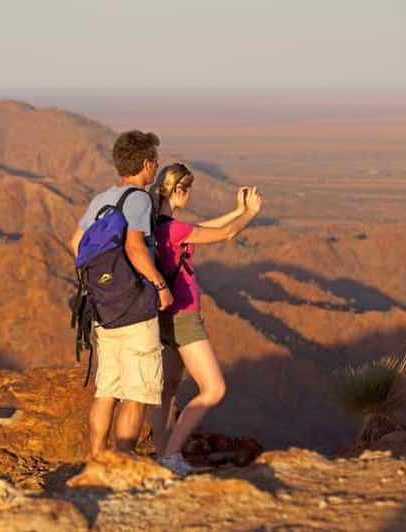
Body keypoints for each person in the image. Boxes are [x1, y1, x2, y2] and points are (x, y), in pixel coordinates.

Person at [149, 163, 262, 475]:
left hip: (162, 317)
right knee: (214, 389)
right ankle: (171, 456)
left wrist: (236, 210)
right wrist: (250, 213)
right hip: (184, 318)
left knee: (167, 390)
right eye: (188, 191)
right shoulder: (173, 230)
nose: (190, 196)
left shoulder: (157, 226)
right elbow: (225, 233)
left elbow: (200, 227)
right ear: (178, 190)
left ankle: (162, 452)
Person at [70, 130, 174, 456]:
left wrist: (104, 283)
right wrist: (160, 285)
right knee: (137, 392)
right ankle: (122, 460)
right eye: (154, 161)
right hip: (134, 308)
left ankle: (97, 459)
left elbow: (76, 244)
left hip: (104, 309)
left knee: (107, 389)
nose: (155, 167)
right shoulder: (139, 199)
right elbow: (135, 247)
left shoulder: (102, 199)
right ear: (145, 163)